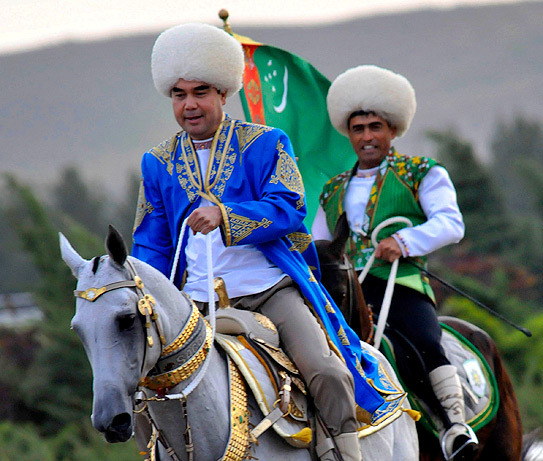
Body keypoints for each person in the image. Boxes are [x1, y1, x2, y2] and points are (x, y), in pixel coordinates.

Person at [132, 24, 406, 461]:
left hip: (267, 292)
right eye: (179, 95)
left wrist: (226, 215)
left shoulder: (266, 144)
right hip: (195, 304)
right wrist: (141, 292)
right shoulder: (157, 162)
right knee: (141, 388)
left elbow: (289, 207)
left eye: (200, 92)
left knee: (326, 372)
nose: (189, 105)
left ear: (224, 93)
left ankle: (347, 454)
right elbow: (151, 244)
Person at [312, 65, 478, 460]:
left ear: (393, 129)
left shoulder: (422, 173)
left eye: (375, 126)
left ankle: (454, 425)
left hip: (401, 283)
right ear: (348, 134)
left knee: (423, 341)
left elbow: (451, 224)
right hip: (346, 287)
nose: (367, 136)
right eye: (358, 129)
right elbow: (319, 242)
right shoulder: (333, 188)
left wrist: (404, 240)